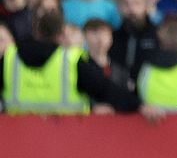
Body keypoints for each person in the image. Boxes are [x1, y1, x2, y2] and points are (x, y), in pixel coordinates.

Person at [1, 8, 162, 118]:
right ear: (62, 34)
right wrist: (139, 105)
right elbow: (105, 88)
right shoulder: (71, 60)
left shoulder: (9, 57)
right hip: (67, 138)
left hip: (22, 141)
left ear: (35, 31)